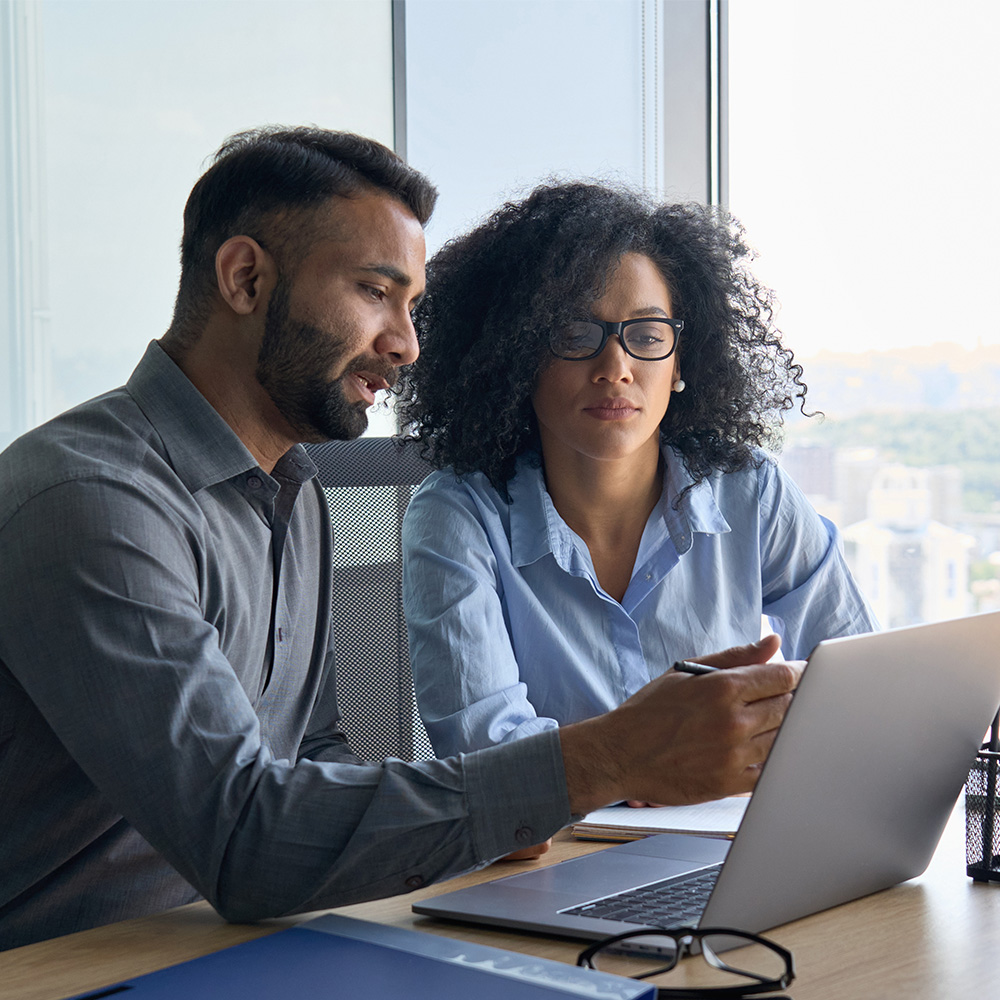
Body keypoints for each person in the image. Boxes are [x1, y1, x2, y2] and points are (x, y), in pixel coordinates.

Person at [0, 129, 800, 952]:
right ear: (244, 278)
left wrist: (496, 807)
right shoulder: (93, 503)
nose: (406, 345)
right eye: (375, 292)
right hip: (70, 965)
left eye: (411, 306)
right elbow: (242, 843)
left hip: (243, 946)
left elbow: (315, 754)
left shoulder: (294, 489)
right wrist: (599, 761)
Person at [399, 183, 877, 761]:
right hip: (556, 849)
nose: (616, 368)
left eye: (648, 336)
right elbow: (491, 758)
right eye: (576, 334)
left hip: (730, 835)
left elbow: (861, 682)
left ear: (681, 362)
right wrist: (642, 764)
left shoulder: (750, 492)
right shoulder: (457, 516)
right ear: (518, 356)